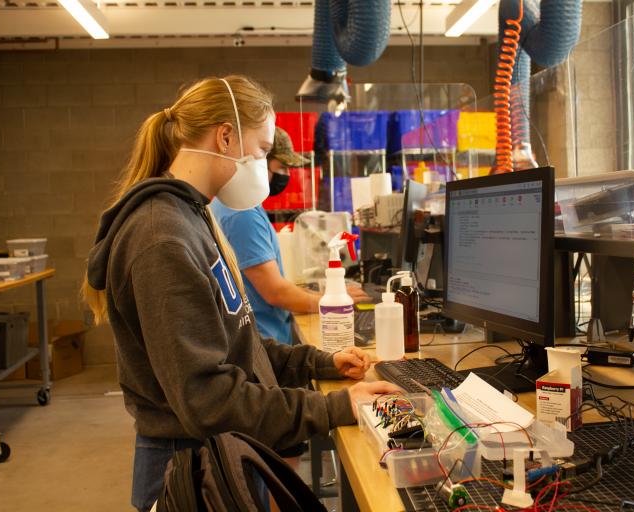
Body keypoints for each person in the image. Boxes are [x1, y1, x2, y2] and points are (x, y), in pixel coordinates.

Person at [82, 75, 399, 512]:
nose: (267, 165)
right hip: (190, 470)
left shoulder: (192, 217)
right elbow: (209, 401)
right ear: (226, 136)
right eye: (264, 150)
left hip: (221, 453)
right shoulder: (163, 237)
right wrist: (331, 408)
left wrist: (319, 362)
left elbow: (237, 343)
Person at [211, 126, 370, 346]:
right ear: (256, 160)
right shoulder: (242, 213)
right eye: (282, 167)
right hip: (265, 340)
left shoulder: (240, 204)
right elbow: (274, 292)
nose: (286, 175)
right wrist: (330, 302)